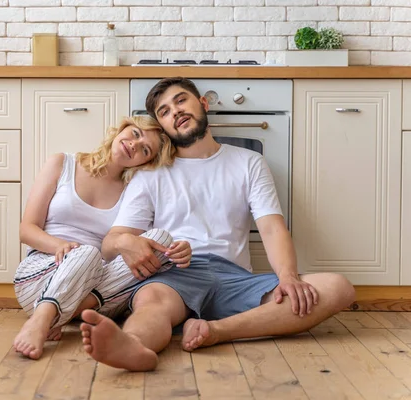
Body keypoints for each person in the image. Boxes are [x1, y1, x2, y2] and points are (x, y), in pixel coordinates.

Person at [79, 77, 356, 372]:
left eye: (181, 100)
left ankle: (217, 331)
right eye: (164, 111)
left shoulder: (249, 162)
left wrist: (288, 278)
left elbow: (272, 228)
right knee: (152, 300)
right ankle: (133, 344)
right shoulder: (150, 175)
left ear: (203, 103)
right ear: (163, 127)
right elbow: (111, 243)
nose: (175, 111)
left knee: (338, 288)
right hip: (176, 275)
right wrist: (128, 243)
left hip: (236, 278)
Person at [12, 115, 191, 360]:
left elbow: (121, 253)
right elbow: (27, 229)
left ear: (147, 161)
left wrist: (179, 251)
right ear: (123, 128)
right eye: (136, 134)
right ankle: (42, 319)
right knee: (86, 252)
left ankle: (61, 314)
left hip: (94, 291)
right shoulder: (62, 163)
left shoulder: (134, 189)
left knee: (161, 239)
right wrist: (62, 247)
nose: (134, 145)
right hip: (39, 275)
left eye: (145, 149)